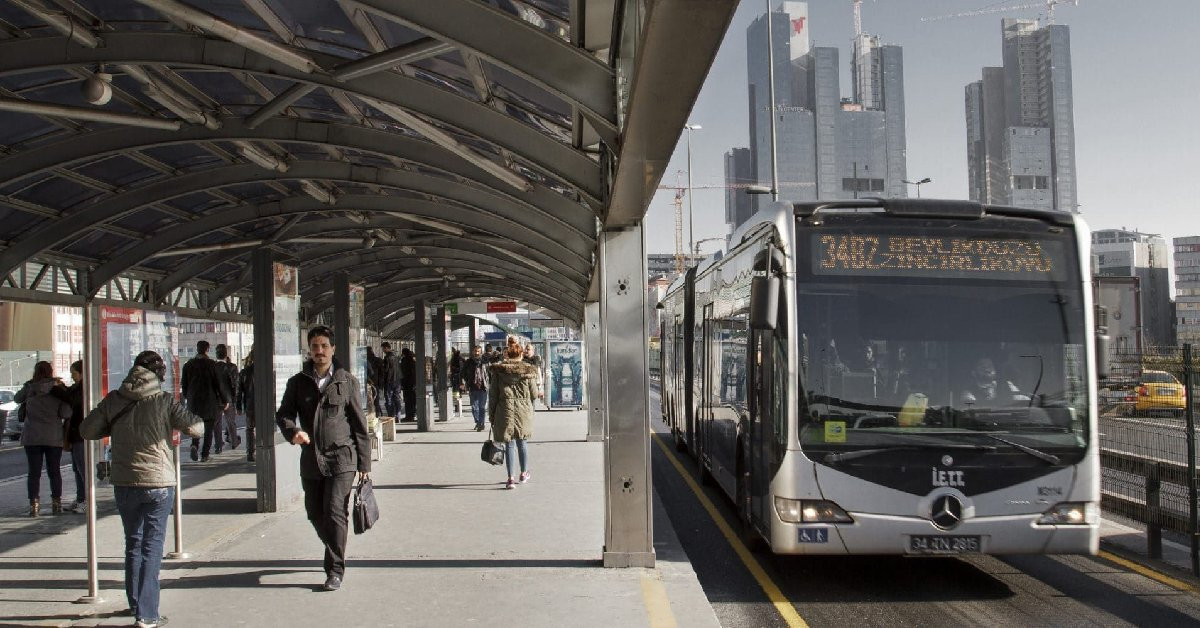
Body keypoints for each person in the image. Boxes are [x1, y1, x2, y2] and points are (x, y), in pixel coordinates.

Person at [81, 351, 205, 628]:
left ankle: (135, 604)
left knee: (133, 543)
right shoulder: (163, 401)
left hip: (125, 481)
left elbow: (87, 430)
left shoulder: (114, 399)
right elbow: (196, 428)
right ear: (158, 374)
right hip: (158, 482)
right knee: (152, 546)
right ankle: (147, 615)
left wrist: (118, 428)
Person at [275, 326, 371, 592]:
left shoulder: (346, 381)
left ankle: (335, 569)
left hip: (342, 456)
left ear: (333, 349)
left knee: (334, 510)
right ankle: (334, 547)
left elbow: (359, 425)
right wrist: (292, 432)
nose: (319, 352)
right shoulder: (297, 382)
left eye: (324, 346)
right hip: (312, 458)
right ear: (309, 349)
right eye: (315, 346)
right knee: (315, 513)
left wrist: (364, 465)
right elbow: (283, 414)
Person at [17, 361, 71, 516]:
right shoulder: (58, 390)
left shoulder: (30, 388)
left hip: (32, 436)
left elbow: (16, 399)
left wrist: (28, 389)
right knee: (54, 471)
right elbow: (66, 413)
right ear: (50, 371)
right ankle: (56, 502)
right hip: (53, 436)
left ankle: (34, 504)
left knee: (34, 472)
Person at [488, 337, 538, 489]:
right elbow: (534, 394)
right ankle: (523, 473)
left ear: (507, 355)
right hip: (523, 412)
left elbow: (493, 396)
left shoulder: (498, 372)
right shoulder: (528, 371)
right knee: (522, 442)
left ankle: (510, 478)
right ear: (521, 355)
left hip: (504, 410)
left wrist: (492, 416)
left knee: (509, 443)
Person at [181, 341, 232, 462]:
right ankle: (205, 455)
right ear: (207, 350)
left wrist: (188, 396)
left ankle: (194, 445)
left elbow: (184, 384)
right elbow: (219, 384)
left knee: (196, 426)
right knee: (209, 429)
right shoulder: (212, 365)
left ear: (197, 349)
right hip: (210, 401)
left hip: (194, 402)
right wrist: (225, 400)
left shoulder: (188, 365)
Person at [62, 360, 87, 513]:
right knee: (77, 468)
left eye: (74, 374)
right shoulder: (77, 388)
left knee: (82, 468)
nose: (72, 377)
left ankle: (87, 500)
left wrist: (61, 390)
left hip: (81, 433)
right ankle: (80, 499)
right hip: (75, 432)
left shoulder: (84, 388)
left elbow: (73, 400)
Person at [959, 357, 1026, 406]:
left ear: (995, 371)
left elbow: (1023, 400)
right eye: (982, 367)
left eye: (990, 366)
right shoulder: (968, 393)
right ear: (974, 373)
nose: (987, 369)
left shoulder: (1007, 384)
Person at [214, 344, 241, 451]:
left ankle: (218, 446)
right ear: (226, 354)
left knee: (217, 423)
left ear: (216, 354)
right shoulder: (232, 367)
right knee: (231, 422)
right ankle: (234, 441)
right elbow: (235, 384)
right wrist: (234, 399)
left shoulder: (213, 366)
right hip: (229, 399)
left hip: (216, 400)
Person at [460, 345, 489, 431]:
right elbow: (463, 373)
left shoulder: (485, 362)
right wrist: (463, 382)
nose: (476, 353)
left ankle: (481, 423)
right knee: (474, 407)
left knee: (482, 407)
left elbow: (489, 374)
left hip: (483, 387)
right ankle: (478, 422)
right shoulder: (468, 362)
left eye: (478, 351)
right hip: (472, 387)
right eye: (475, 351)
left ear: (481, 352)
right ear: (473, 352)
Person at [237, 350, 256, 462]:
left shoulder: (244, 372)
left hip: (250, 404)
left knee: (249, 429)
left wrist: (239, 406)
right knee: (266, 429)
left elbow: (239, 392)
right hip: (264, 404)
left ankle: (250, 452)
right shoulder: (267, 371)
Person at [380, 342, 402, 419]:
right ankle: (398, 415)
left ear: (386, 348)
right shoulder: (396, 357)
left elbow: (385, 371)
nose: (383, 350)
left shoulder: (387, 358)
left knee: (389, 399)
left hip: (389, 382)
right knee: (397, 398)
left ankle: (391, 416)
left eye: (383, 348)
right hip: (397, 381)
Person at [522, 344, 545, 409]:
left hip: (534, 384)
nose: (526, 351)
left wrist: (540, 387)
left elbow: (534, 368)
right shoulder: (522, 359)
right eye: (525, 349)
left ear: (533, 351)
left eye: (528, 349)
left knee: (531, 402)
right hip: (524, 384)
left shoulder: (536, 359)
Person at [365, 347, 385, 418]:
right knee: (376, 399)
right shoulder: (379, 360)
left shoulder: (365, 361)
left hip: (369, 382)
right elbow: (382, 373)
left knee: (370, 399)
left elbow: (370, 372)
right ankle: (378, 413)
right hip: (376, 381)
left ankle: (375, 414)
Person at [399, 347, 417, 422]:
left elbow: (403, 373)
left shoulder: (404, 361)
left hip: (407, 383)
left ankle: (409, 416)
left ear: (403, 353)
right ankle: (412, 415)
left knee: (407, 400)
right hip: (413, 383)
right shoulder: (413, 361)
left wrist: (402, 383)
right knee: (413, 400)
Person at [449, 347, 463, 418]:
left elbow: (453, 368)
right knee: (459, 392)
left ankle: (457, 407)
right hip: (460, 378)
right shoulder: (461, 359)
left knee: (455, 391)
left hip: (455, 377)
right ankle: (458, 408)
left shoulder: (453, 359)